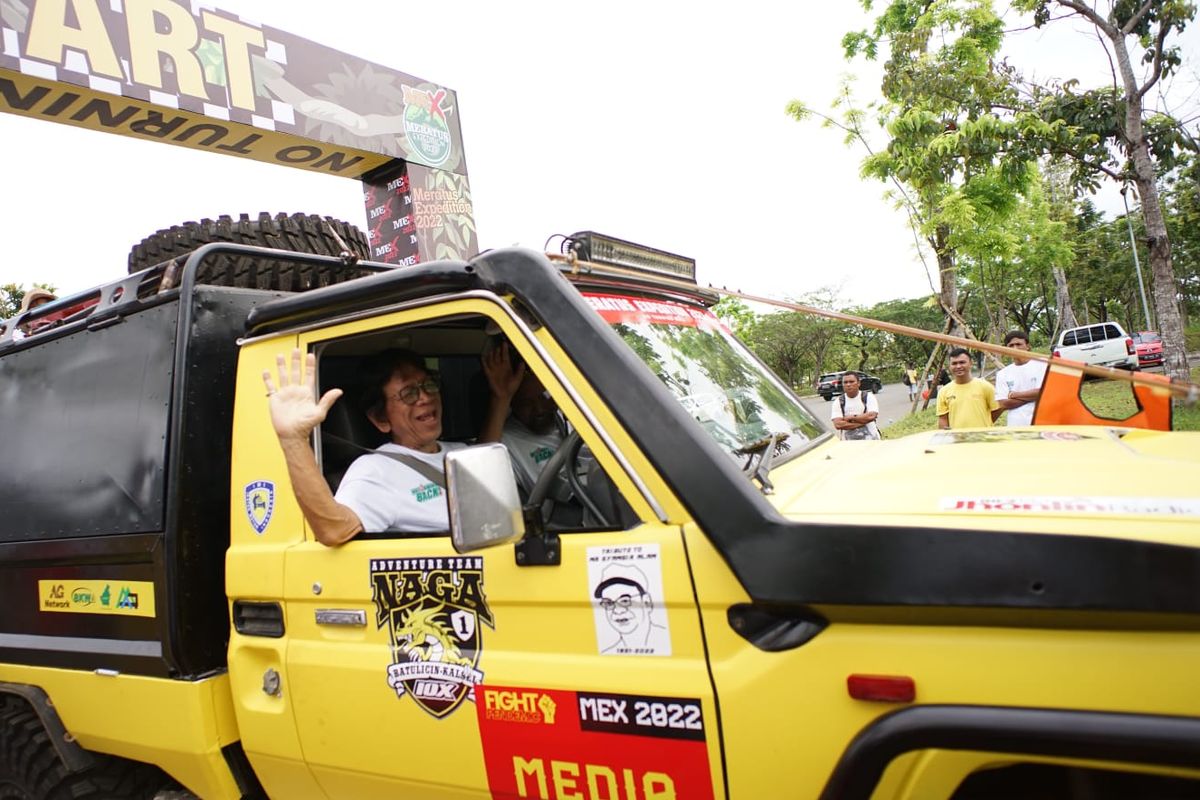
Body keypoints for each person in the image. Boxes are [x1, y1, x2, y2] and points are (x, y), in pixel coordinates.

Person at [263, 348, 467, 545]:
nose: (425, 397)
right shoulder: (376, 470)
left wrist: (499, 398)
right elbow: (335, 531)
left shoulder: (462, 451)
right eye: (408, 393)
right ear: (381, 419)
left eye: (428, 384)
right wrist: (293, 440)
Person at [936, 347, 1001, 429]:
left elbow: (997, 409)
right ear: (949, 366)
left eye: (962, 362)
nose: (958, 366)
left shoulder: (985, 386)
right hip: (958, 439)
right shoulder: (944, 391)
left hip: (983, 438)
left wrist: (985, 423)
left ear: (971, 363)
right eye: (954, 363)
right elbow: (943, 419)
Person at [994, 330, 1047, 427]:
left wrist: (1014, 394)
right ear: (1006, 349)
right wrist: (1033, 396)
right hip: (1016, 426)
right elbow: (1003, 403)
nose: (1015, 348)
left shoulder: (1043, 364)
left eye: (1019, 344)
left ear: (1027, 346)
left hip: (1042, 423)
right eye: (1011, 345)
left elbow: (1045, 392)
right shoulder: (1003, 374)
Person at [830, 371, 880, 440]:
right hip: (849, 445)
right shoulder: (838, 402)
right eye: (845, 382)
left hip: (872, 441)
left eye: (851, 382)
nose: (848, 384)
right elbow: (838, 424)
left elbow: (871, 416)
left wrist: (851, 418)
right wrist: (862, 422)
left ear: (858, 383)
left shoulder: (868, 397)